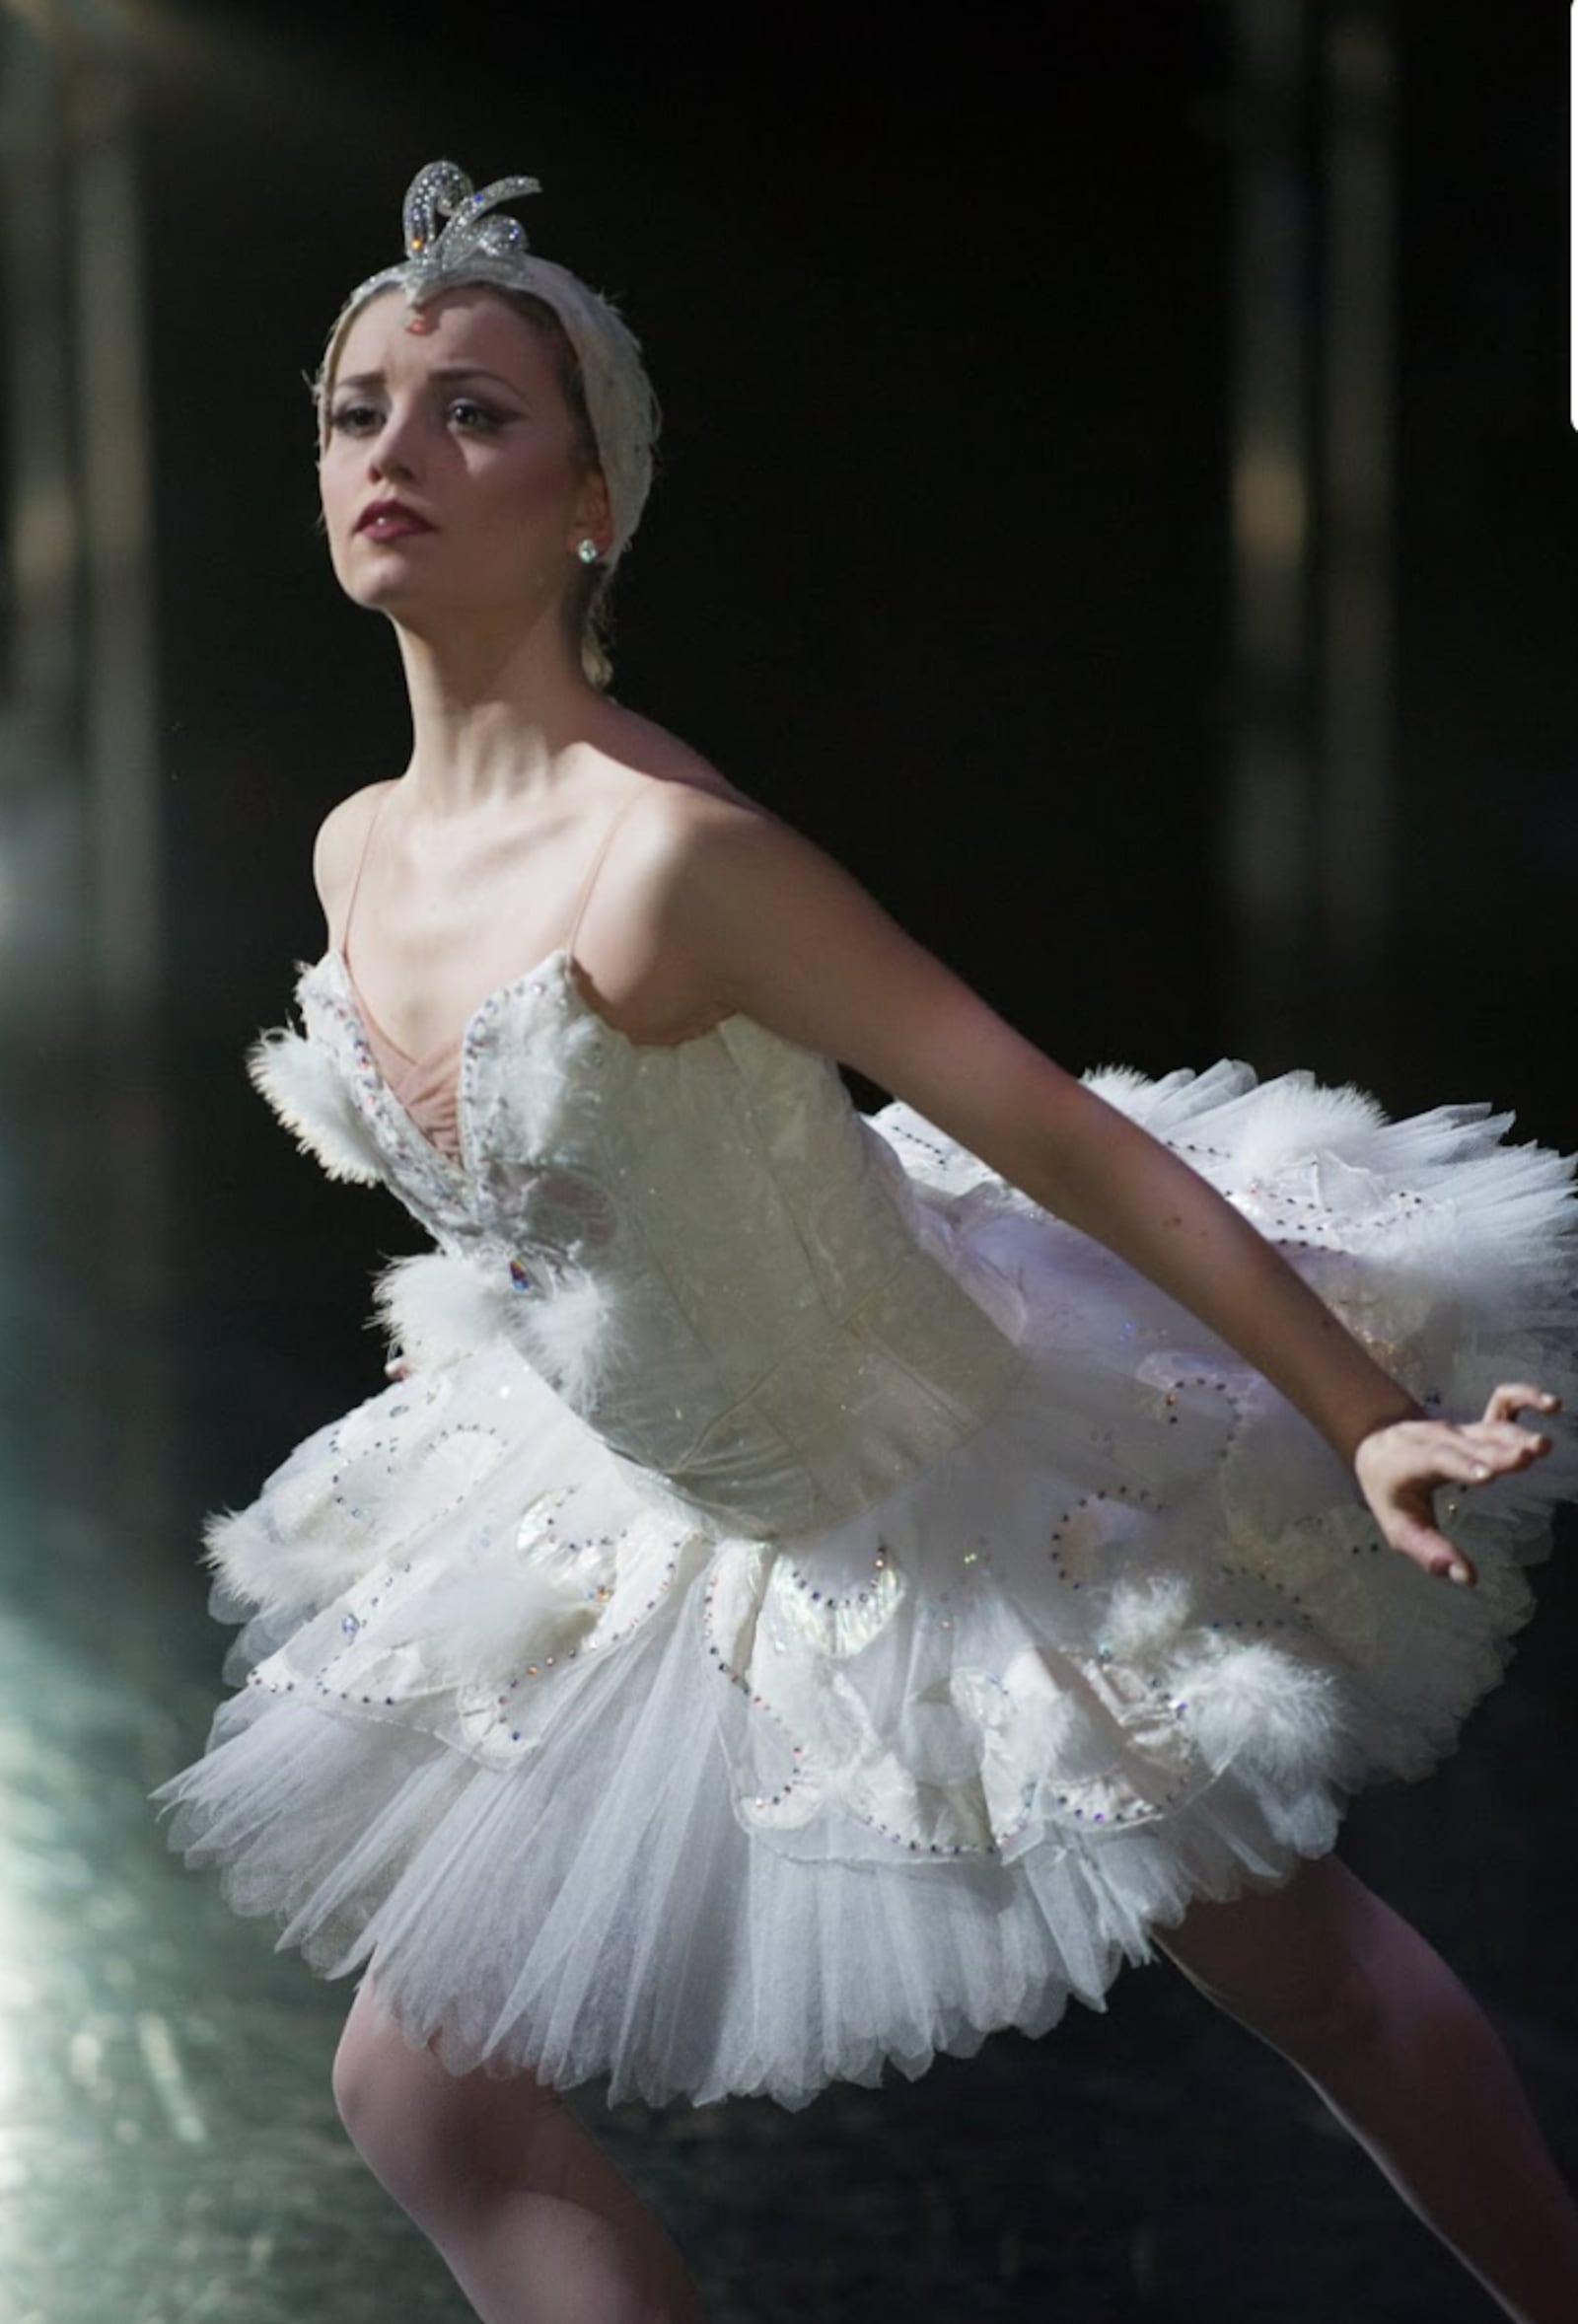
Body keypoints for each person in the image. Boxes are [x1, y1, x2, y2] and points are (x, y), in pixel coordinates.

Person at [153, 160, 1578, 2324]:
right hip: (652, 1507)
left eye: (471, 411)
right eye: (358, 409)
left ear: (591, 496)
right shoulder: (362, 844)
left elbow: (1053, 1131)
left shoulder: (674, 863)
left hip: (945, 1477)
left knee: (1310, 1977)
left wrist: (1363, 1418)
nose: (394, 455)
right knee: (427, 2099)